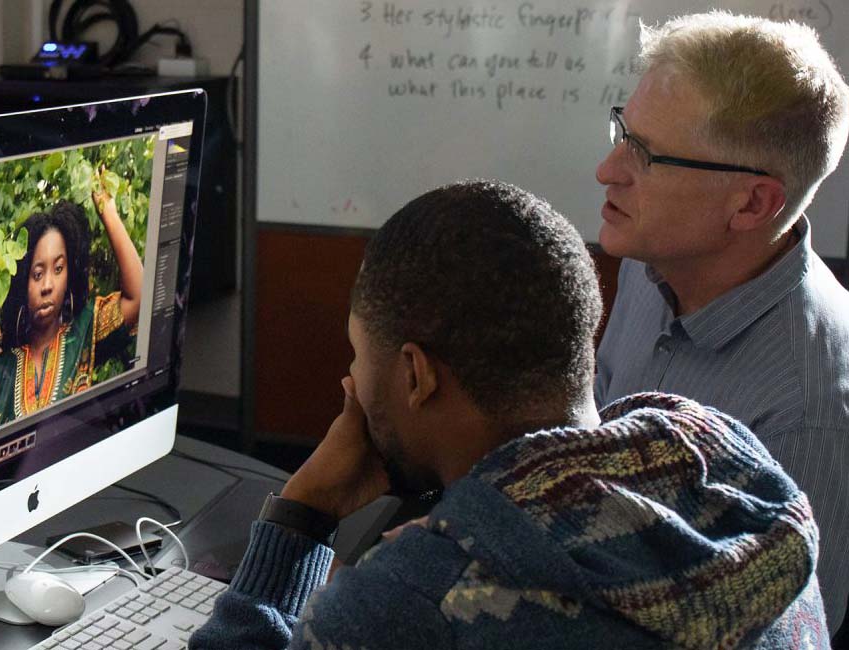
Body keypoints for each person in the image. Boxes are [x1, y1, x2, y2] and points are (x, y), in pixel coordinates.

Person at [190, 180, 827, 649]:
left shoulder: (416, 599)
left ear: (417, 375)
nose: (352, 381)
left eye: (360, 355)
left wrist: (300, 515)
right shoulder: (728, 464)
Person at [593, 11, 849, 631]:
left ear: (753, 203)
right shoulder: (653, 261)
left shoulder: (807, 408)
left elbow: (793, 632)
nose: (609, 170)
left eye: (647, 155)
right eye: (623, 131)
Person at [0, 182, 143, 451]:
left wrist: (109, 213)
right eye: (37, 274)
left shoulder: (85, 331)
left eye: (58, 268)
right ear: (23, 282)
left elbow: (138, 297)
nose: (48, 284)